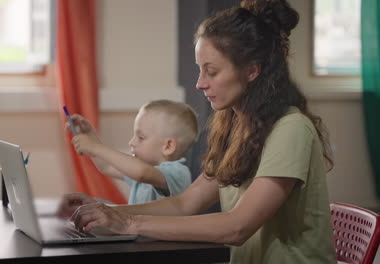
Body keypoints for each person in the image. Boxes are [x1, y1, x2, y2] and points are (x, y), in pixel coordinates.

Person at [57, 0, 336, 263]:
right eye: (199, 70)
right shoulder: (235, 127)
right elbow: (185, 203)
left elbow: (237, 227)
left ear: (252, 70)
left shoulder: (291, 129)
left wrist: (129, 222)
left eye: (211, 72)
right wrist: (106, 211)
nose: (200, 84)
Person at [66, 99, 199, 205]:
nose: (131, 142)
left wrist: (95, 147)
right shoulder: (142, 170)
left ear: (168, 146)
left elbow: (142, 173)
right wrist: (90, 135)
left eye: (141, 137)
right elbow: (107, 166)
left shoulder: (178, 173)